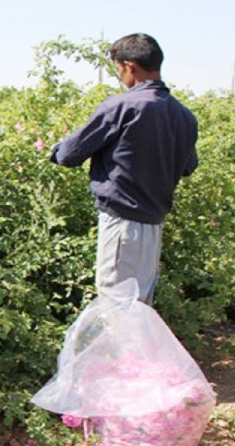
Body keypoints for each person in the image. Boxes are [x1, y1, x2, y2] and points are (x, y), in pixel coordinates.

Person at [50, 33, 198, 304]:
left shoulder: (121, 106)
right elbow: (188, 166)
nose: (121, 77)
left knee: (116, 308)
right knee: (139, 308)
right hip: (153, 226)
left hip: (121, 225)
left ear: (130, 66)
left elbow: (69, 155)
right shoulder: (183, 115)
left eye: (119, 70)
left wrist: (55, 148)